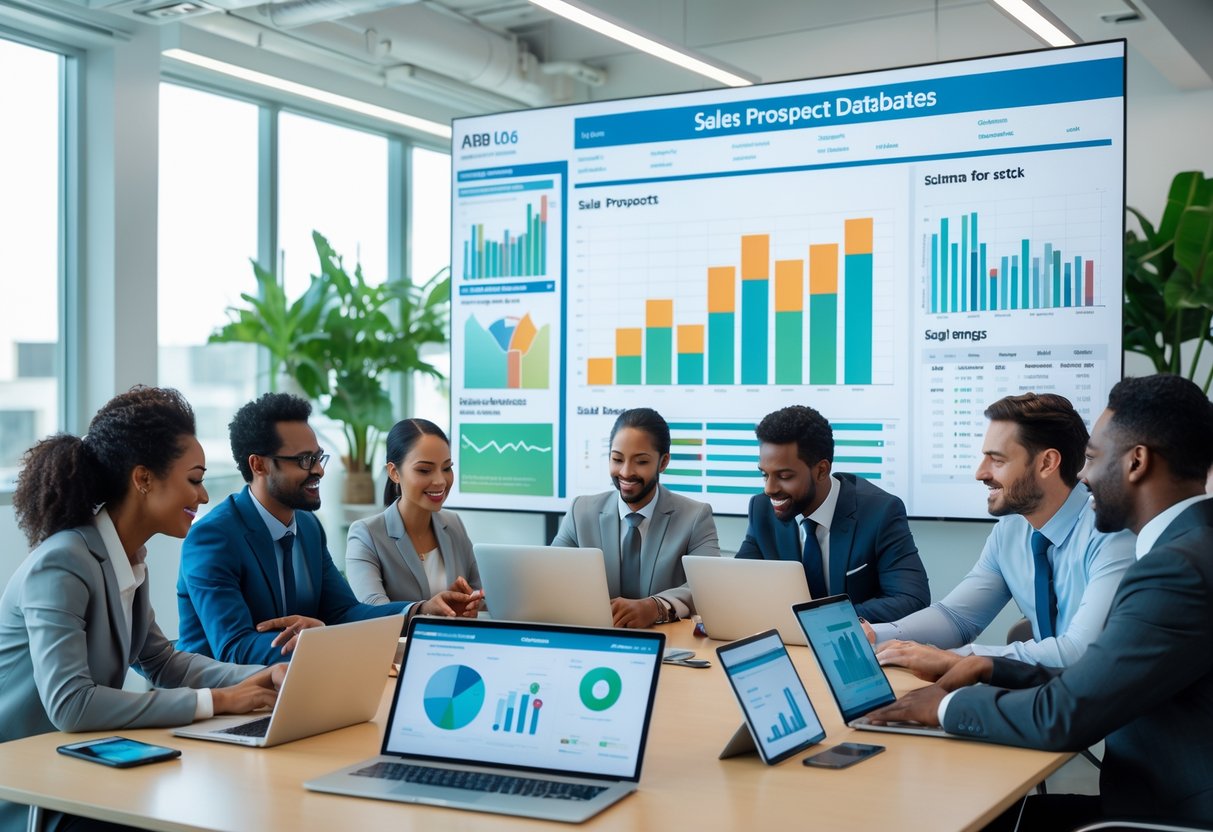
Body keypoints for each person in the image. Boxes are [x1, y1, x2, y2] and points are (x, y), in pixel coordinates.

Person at [869, 374, 1213, 829]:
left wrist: (944, 708)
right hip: (1153, 798)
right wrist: (990, 667)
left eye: (1093, 458)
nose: (1084, 475)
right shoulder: (1191, 548)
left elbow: (1064, 715)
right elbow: (1100, 674)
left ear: (1137, 462)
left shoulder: (1175, 569)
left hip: (1169, 818)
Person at [0, 387, 284, 832]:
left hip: (81, 771)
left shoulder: (128, 559)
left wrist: (263, 676)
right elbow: (71, 705)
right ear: (144, 479)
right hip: (29, 793)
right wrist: (218, 701)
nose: (203, 496)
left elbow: (162, 663)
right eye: (194, 480)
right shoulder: (62, 563)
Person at [177, 394, 475, 666]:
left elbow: (344, 612)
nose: (319, 470)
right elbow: (234, 648)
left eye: (318, 457)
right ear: (259, 465)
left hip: (295, 686)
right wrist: (321, 641)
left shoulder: (308, 527)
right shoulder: (213, 538)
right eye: (304, 460)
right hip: (221, 696)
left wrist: (420, 611)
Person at [868, 393, 1134, 672]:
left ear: (1047, 463)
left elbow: (1079, 652)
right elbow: (957, 618)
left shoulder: (1112, 532)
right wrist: (875, 636)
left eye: (997, 460)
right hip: (1043, 691)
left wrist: (960, 660)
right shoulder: (1011, 530)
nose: (980, 473)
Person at [736, 404, 929, 623]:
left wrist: (820, 621)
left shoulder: (880, 512)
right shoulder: (762, 509)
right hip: (788, 641)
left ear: (821, 470)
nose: (769, 488)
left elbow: (912, 599)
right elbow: (738, 586)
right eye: (764, 474)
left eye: (784, 476)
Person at [552, 407, 720, 627]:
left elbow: (709, 587)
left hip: (667, 641)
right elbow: (550, 575)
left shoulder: (695, 517)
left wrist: (656, 607)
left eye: (641, 462)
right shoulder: (580, 512)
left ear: (663, 462)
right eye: (617, 459)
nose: (626, 472)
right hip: (596, 638)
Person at [346, 419, 482, 612]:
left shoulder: (453, 523)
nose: (440, 481)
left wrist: (470, 605)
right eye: (424, 470)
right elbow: (373, 610)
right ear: (394, 472)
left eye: (446, 468)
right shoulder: (366, 534)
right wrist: (425, 609)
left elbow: (480, 595)